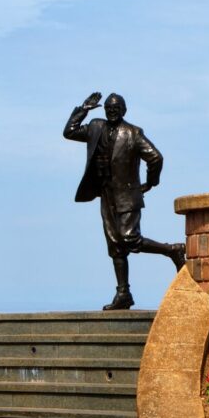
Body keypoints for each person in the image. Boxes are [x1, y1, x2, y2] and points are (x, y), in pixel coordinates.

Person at [63, 91, 185, 310]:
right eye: (109, 108)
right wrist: (83, 109)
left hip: (128, 195)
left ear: (124, 111)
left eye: (116, 109)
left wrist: (150, 183)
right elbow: (69, 132)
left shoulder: (133, 133)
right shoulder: (95, 127)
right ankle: (123, 294)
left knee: (129, 238)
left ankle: (172, 250)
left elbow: (155, 157)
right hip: (106, 194)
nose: (112, 112)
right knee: (115, 246)